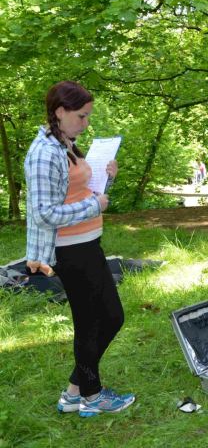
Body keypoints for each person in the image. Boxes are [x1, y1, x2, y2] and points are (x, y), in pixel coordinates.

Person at [25, 81, 135, 417]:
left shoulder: (66, 144)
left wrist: (108, 179)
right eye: (82, 116)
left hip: (88, 243)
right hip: (69, 250)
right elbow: (45, 213)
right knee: (90, 322)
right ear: (60, 112)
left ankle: (75, 391)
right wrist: (94, 206)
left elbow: (82, 191)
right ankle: (92, 394)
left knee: (112, 316)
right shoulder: (44, 153)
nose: (86, 123)